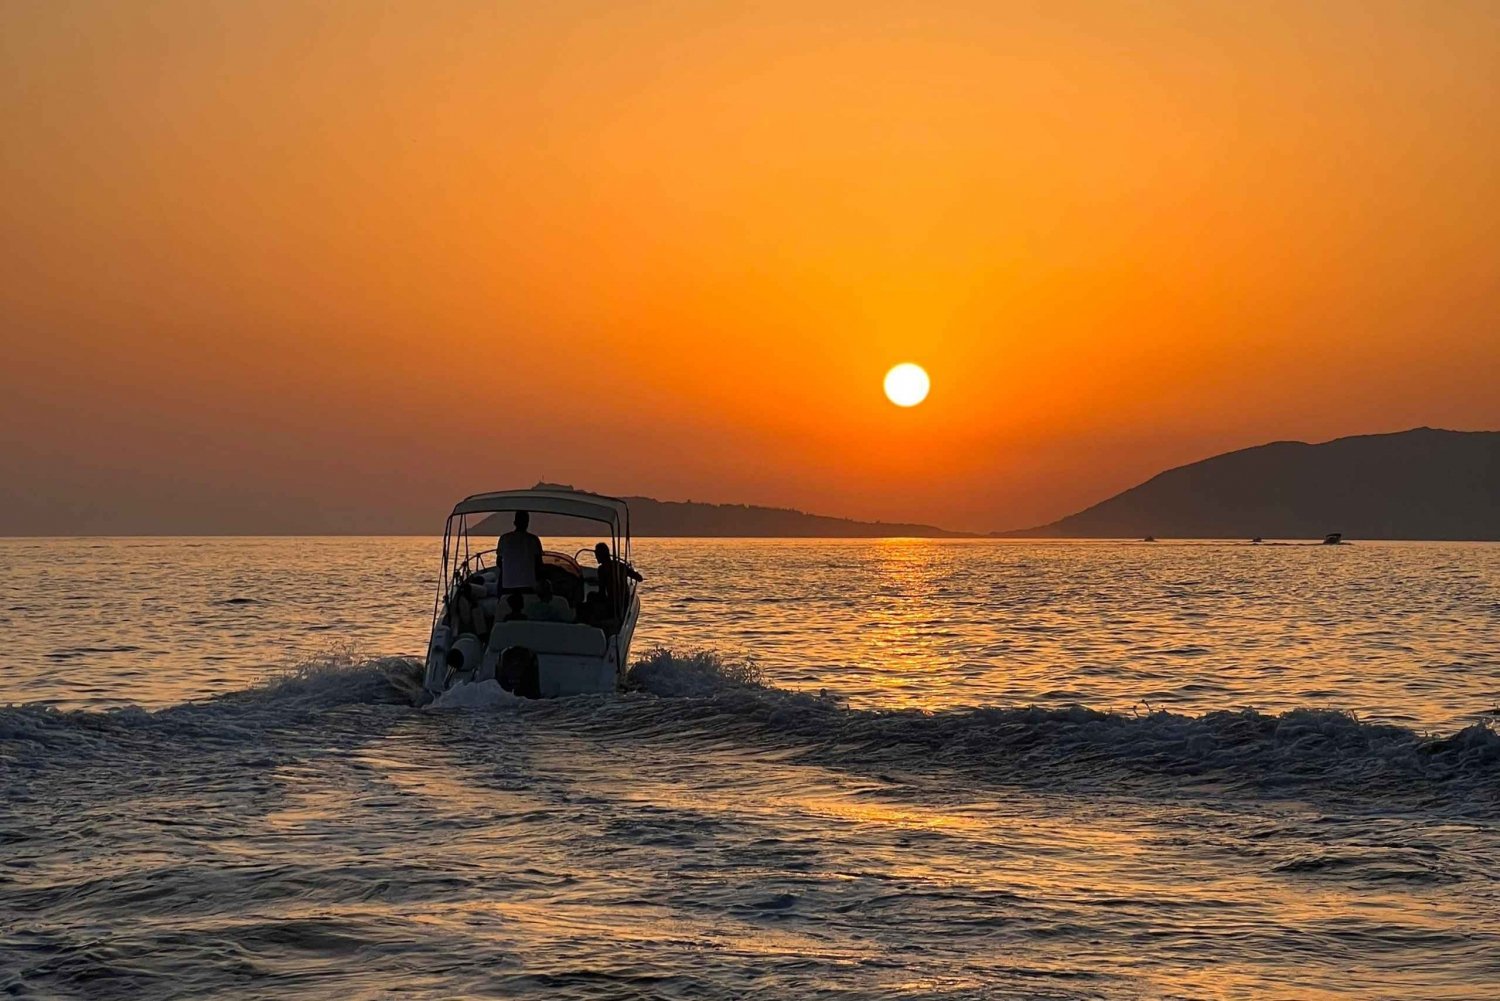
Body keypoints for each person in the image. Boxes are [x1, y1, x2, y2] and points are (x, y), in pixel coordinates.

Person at [593, 542, 643, 622]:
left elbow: (601, 593)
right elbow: (640, 578)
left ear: (600, 555)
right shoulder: (621, 566)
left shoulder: (601, 570)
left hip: (613, 605)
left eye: (596, 554)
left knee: (590, 596)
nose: (595, 557)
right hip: (624, 602)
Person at [498, 510, 544, 594]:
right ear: (527, 523)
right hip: (528, 585)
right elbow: (539, 564)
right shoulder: (533, 539)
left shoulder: (504, 538)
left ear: (514, 522)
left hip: (507, 584)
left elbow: (498, 563)